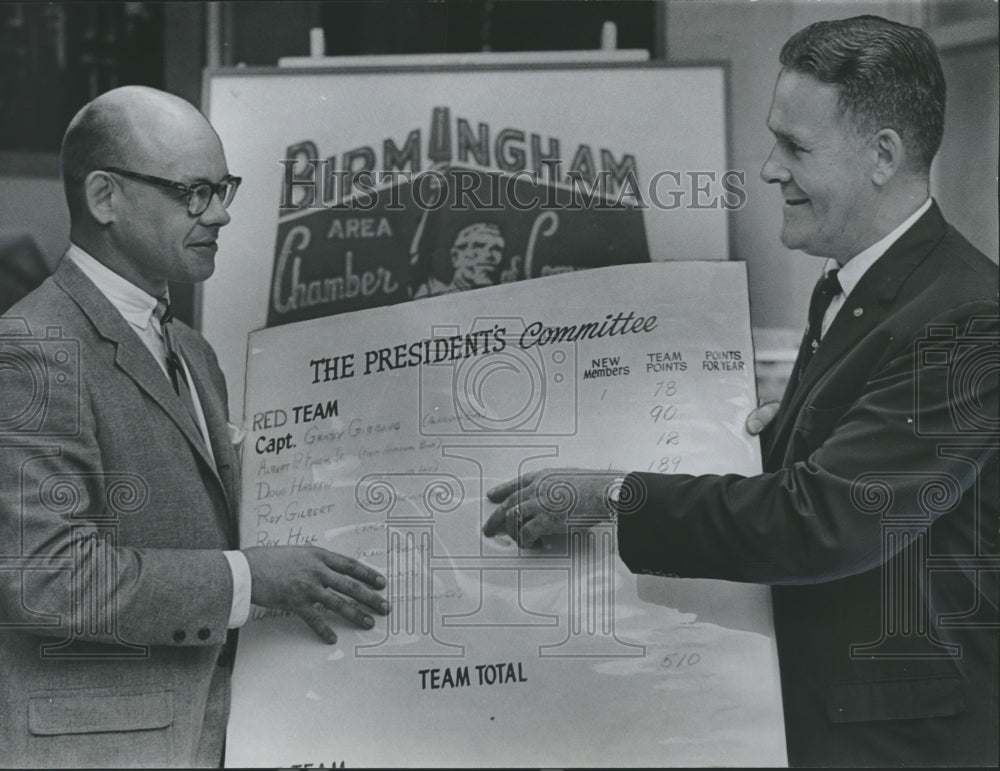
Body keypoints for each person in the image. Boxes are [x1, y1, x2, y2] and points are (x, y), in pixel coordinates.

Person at [484, 16, 998, 767]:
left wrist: (611, 494)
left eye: (795, 146)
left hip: (900, 744)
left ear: (883, 154)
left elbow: (828, 517)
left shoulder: (967, 316)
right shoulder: (857, 287)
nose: (767, 169)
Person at [0, 86, 389, 768]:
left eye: (225, 187)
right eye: (195, 191)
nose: (223, 213)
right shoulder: (33, 347)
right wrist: (250, 579)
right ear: (104, 198)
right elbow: (46, 575)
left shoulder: (191, 348)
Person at [413, 221, 506, 298]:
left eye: (496, 248)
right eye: (479, 246)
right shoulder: (429, 295)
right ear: (456, 256)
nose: (489, 255)